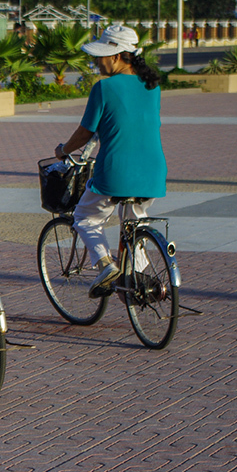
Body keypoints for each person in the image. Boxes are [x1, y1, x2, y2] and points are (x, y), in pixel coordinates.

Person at [54, 24, 166, 296]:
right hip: (153, 170)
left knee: (85, 217)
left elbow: (85, 132)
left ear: (116, 56)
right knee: (134, 226)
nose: (96, 61)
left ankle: (106, 266)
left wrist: (63, 150)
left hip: (116, 170)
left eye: (100, 55)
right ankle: (138, 280)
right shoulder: (152, 86)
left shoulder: (104, 88)